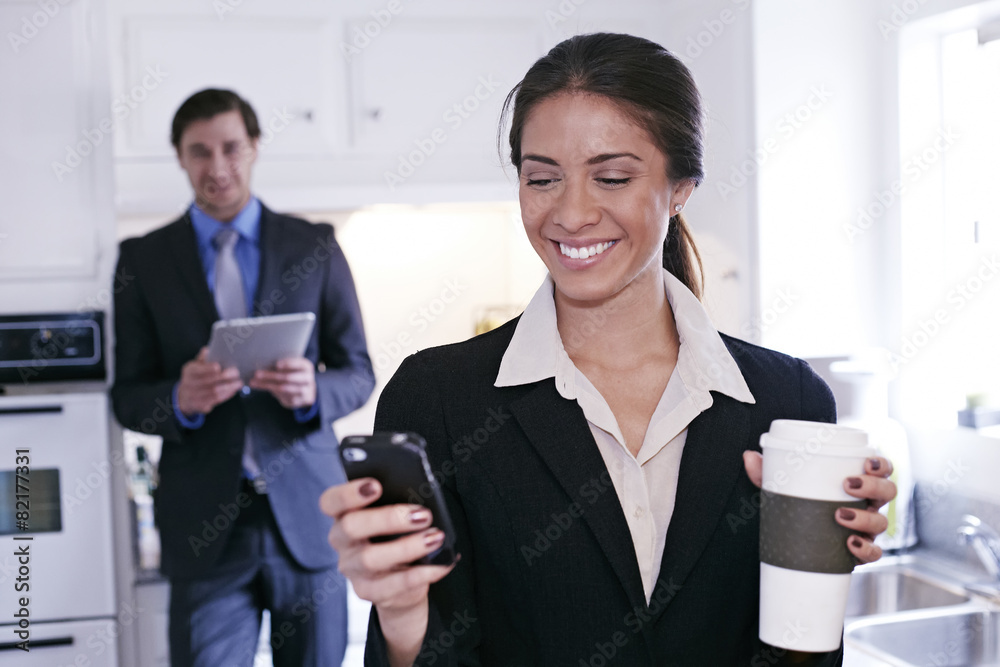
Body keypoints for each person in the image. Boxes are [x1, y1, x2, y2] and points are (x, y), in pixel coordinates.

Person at [321, 34, 896, 666]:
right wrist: (402, 616)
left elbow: (801, 658)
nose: (571, 214)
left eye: (613, 177)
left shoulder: (789, 402)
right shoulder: (437, 398)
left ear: (681, 188)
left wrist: (816, 581)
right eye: (542, 178)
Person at [111, 88, 374, 667]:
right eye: (199, 151)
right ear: (180, 157)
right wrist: (178, 399)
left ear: (254, 146)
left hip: (309, 514)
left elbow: (358, 373)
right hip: (203, 525)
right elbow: (126, 397)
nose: (218, 166)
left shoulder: (314, 245)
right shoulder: (143, 260)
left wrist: (313, 391)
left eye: (231, 147)